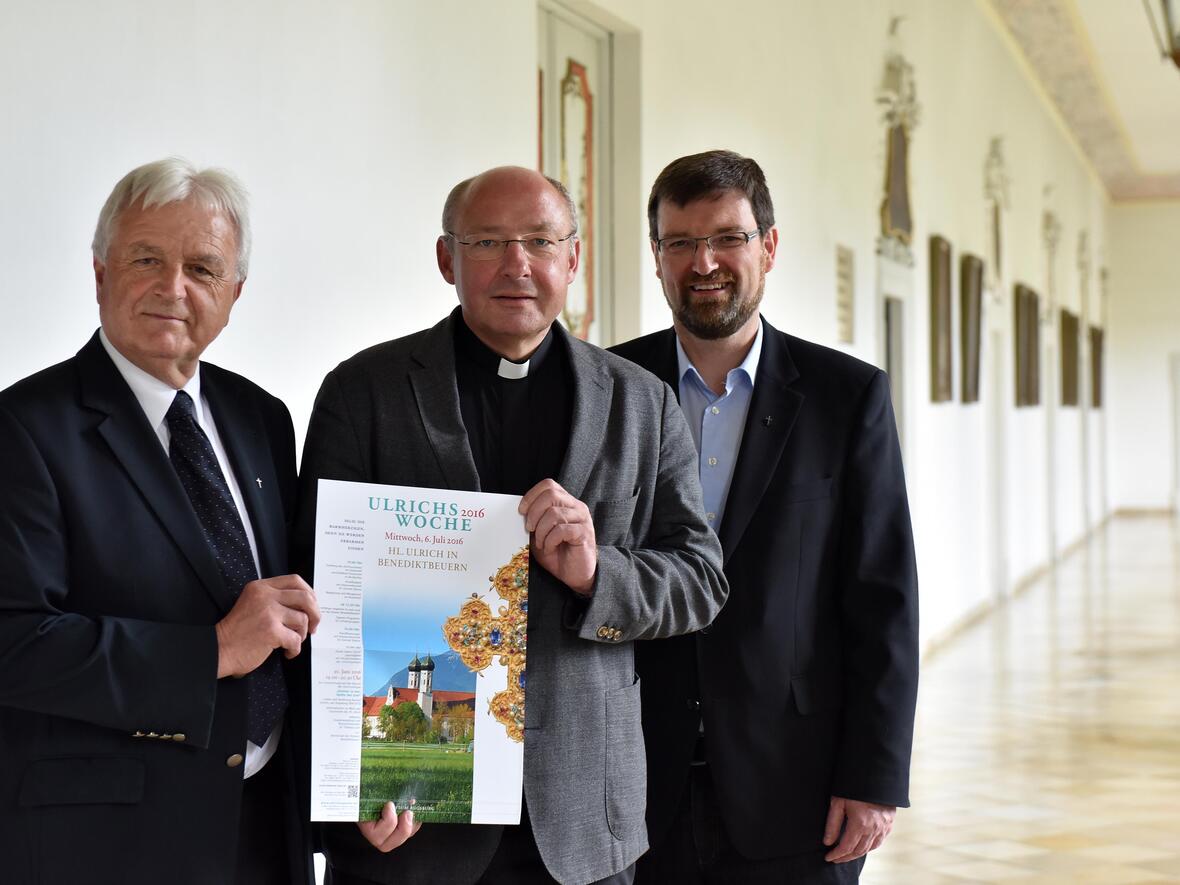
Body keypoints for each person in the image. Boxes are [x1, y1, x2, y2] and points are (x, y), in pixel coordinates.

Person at [297, 165, 728, 885]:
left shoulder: (641, 403)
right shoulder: (362, 392)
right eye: (489, 242)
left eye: (538, 240)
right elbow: (321, 596)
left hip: (581, 812)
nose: (516, 264)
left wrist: (599, 573)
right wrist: (346, 790)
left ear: (573, 258)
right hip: (411, 809)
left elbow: (701, 579)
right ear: (447, 259)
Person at [0, 158, 319, 885]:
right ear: (100, 271)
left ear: (234, 293)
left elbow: (293, 617)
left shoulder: (262, 418)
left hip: (265, 832)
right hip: (108, 844)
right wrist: (207, 651)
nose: (173, 287)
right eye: (147, 258)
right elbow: (12, 639)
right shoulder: (23, 428)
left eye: (203, 267)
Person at [611, 149, 919, 884]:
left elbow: (884, 599)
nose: (703, 261)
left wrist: (875, 775)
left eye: (727, 237)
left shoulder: (848, 398)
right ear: (656, 258)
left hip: (798, 785)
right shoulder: (607, 386)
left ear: (769, 247)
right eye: (679, 242)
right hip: (633, 781)